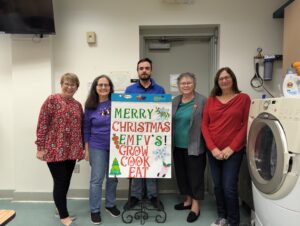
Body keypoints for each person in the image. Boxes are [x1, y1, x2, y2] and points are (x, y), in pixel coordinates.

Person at [201, 67, 251, 226]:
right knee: (218, 186)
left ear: (232, 79)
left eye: (227, 77)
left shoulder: (243, 98)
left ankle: (234, 221)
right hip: (213, 151)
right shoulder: (211, 100)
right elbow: (204, 125)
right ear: (217, 81)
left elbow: (245, 125)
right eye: (221, 78)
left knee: (229, 187)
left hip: (233, 151)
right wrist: (213, 148)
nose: (224, 80)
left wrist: (232, 147)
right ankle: (222, 217)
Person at [35, 73, 84, 226]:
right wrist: (40, 147)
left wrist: (81, 148)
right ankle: (63, 215)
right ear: (61, 84)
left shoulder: (78, 105)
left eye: (73, 84)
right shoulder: (52, 100)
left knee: (65, 182)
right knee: (61, 181)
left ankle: (59, 207)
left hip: (71, 150)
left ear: (77, 87)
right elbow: (42, 123)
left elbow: (80, 128)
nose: (70, 87)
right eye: (67, 84)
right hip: (54, 149)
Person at [124, 58, 165, 209]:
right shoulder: (130, 90)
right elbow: (125, 112)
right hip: (135, 135)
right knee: (136, 165)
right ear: (138, 71)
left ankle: (153, 196)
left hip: (154, 135)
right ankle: (135, 196)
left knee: (152, 165)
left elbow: (163, 112)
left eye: (147, 68)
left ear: (151, 70)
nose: (144, 71)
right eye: (141, 68)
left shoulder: (159, 90)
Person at [83, 75, 120, 225]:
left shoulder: (117, 103)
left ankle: (110, 205)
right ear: (95, 87)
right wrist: (86, 150)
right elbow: (86, 129)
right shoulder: (90, 106)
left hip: (116, 147)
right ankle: (95, 210)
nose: (103, 87)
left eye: (106, 85)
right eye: (100, 85)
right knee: (96, 180)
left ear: (110, 87)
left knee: (113, 178)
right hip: (96, 146)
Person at [172, 72, 207, 223]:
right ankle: (187, 200)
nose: (186, 85)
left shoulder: (202, 100)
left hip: (195, 146)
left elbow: (207, 123)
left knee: (195, 177)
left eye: (189, 83)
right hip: (177, 145)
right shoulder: (175, 101)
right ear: (179, 86)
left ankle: (196, 206)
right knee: (182, 174)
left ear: (194, 84)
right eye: (183, 83)